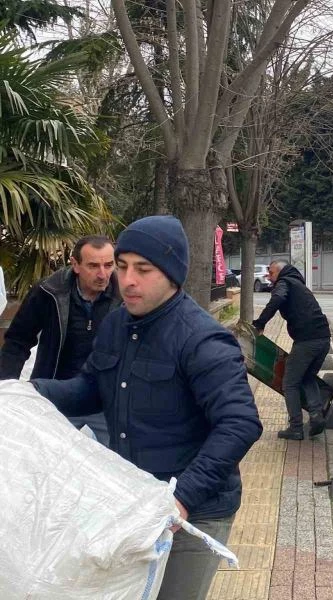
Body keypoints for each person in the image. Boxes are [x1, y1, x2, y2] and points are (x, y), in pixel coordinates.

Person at [32, 216, 263, 600]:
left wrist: (182, 498)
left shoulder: (202, 338)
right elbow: (90, 389)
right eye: (122, 267)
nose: (127, 280)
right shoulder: (116, 325)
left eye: (143, 269)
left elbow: (240, 423)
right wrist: (29, 392)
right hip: (133, 500)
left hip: (194, 512)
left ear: (172, 275)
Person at [0, 235, 120, 445]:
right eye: (93, 266)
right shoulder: (49, 291)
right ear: (75, 264)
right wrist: (5, 389)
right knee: (44, 455)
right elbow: (18, 342)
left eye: (109, 265)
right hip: (56, 396)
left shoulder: (126, 295)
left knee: (121, 462)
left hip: (107, 401)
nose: (103, 274)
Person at [253, 260, 331, 440]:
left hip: (307, 340)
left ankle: (296, 428)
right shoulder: (297, 284)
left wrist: (260, 323)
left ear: (280, 272)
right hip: (323, 339)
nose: (268, 277)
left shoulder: (284, 282)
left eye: (271, 273)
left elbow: (278, 299)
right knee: (307, 377)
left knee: (290, 383)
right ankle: (316, 415)